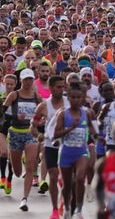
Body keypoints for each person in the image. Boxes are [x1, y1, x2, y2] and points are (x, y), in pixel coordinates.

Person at [53, 82, 97, 219]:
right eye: (73, 97)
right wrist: (71, 128)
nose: (76, 100)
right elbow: (56, 134)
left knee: (79, 178)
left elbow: (91, 128)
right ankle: (66, 208)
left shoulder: (87, 112)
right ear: (69, 98)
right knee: (67, 186)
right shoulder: (62, 113)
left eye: (79, 97)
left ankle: (78, 210)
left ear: (82, 98)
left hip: (81, 152)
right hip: (66, 152)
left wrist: (98, 137)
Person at [2, 68, 41, 211]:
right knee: (17, 172)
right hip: (15, 133)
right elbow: (2, 114)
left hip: (31, 133)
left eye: (31, 79)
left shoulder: (36, 96)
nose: (29, 82)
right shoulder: (14, 95)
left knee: (31, 165)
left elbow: (43, 112)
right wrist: (15, 117)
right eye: (26, 79)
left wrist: (40, 121)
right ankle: (13, 162)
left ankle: (24, 199)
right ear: (21, 81)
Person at [31, 75, 68, 219]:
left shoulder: (69, 103)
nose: (61, 89)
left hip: (66, 145)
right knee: (53, 176)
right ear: (51, 88)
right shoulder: (43, 106)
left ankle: (63, 202)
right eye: (59, 87)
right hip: (49, 145)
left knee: (66, 178)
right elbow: (32, 126)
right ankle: (54, 210)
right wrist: (37, 135)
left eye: (63, 86)